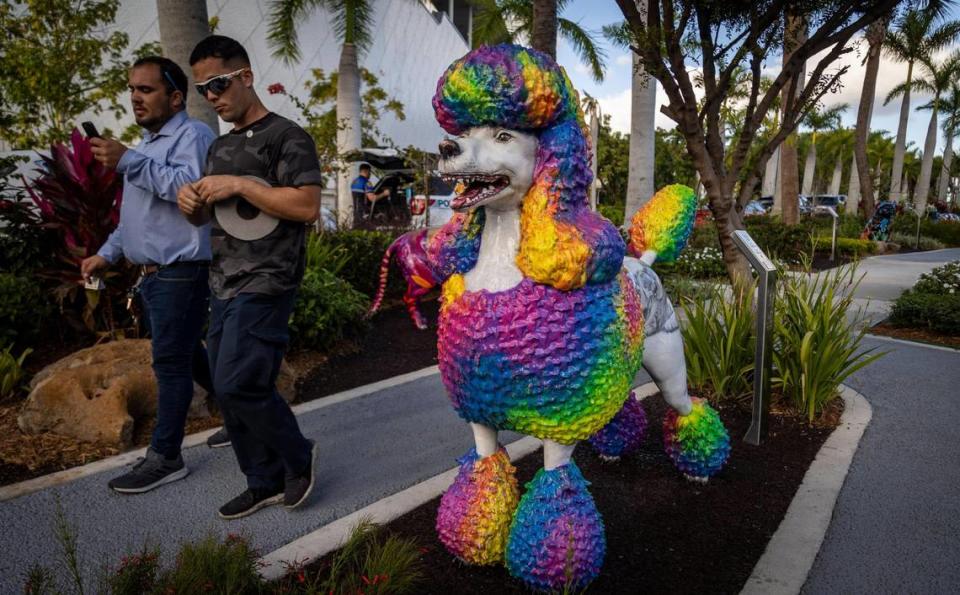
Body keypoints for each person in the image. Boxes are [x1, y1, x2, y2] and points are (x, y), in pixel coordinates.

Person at [177, 35, 319, 520]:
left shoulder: (287, 137)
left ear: (246, 77)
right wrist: (192, 206)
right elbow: (212, 221)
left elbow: (306, 205)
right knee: (224, 384)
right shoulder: (218, 147)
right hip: (223, 281)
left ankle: (298, 456)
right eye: (202, 90)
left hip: (268, 279)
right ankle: (262, 480)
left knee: (240, 382)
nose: (211, 97)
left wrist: (239, 183)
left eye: (217, 84)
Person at [80, 56, 217, 493]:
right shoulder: (147, 145)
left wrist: (128, 162)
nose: (135, 97)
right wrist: (106, 253)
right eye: (133, 89)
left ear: (175, 97)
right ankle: (240, 417)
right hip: (155, 275)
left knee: (171, 362)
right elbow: (133, 218)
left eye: (146, 89)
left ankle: (166, 457)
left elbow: (189, 191)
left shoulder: (192, 134)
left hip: (181, 270)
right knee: (189, 354)